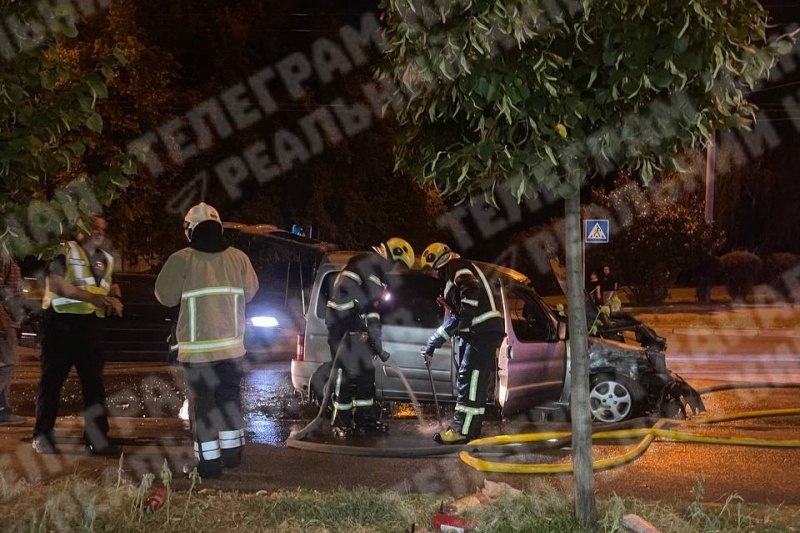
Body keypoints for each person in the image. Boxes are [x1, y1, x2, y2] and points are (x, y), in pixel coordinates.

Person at [155, 203, 258, 479]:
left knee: (205, 405)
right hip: (233, 349)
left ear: (190, 230)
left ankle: (209, 465)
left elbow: (164, 296)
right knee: (229, 400)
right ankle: (232, 455)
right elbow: (250, 292)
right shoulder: (239, 259)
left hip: (198, 353)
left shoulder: (182, 259)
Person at [32, 216, 124, 455]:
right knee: (52, 382)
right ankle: (42, 435)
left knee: (93, 385)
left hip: (89, 327)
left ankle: (96, 440)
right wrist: (92, 298)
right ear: (79, 230)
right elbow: (56, 284)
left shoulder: (107, 260)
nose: (99, 231)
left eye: (103, 227)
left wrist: (115, 298)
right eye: (93, 227)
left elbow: (110, 285)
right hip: (60, 325)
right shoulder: (66, 250)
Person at [324, 238, 414, 438]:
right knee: (345, 376)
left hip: (358, 330)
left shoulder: (378, 276)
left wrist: (375, 338)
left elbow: (372, 310)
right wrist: (356, 319)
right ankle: (340, 422)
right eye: (397, 263)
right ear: (391, 255)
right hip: (342, 327)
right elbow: (344, 296)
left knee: (366, 375)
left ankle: (366, 420)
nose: (395, 269)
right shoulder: (364, 263)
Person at [420, 243, 505, 445]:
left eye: (432, 269)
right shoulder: (459, 271)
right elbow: (454, 320)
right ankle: (471, 429)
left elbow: (470, 289)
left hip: (481, 332)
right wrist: (433, 342)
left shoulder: (455, 266)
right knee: (474, 380)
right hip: (483, 332)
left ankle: (461, 430)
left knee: (470, 378)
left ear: (438, 262)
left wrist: (466, 322)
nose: (433, 274)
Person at [0, 252, 24, 426]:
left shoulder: (9, 256)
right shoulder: (3, 256)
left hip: (8, 320)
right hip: (3, 323)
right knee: (6, 365)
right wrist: (5, 322)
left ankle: (3, 408)